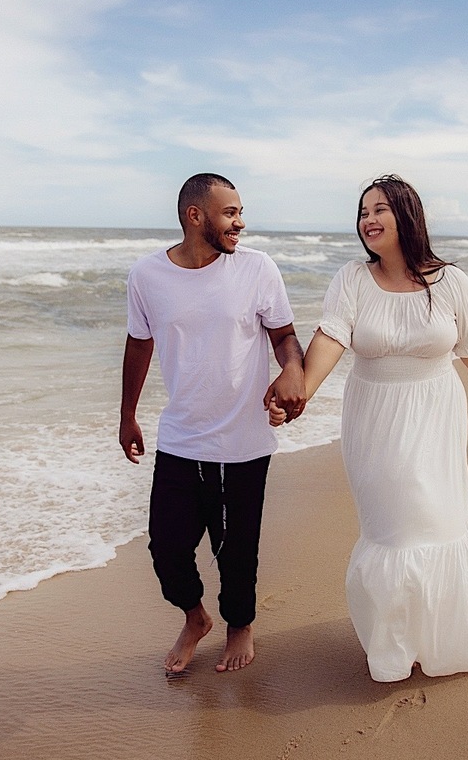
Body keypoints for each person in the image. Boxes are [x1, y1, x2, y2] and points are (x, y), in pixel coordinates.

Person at [272, 174, 468, 682]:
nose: (369, 220)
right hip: (374, 417)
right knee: (395, 527)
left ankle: (443, 636)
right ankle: (396, 642)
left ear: (407, 215)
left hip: (436, 412)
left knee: (437, 516)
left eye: (379, 209)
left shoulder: (451, 282)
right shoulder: (352, 279)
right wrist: (299, 395)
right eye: (363, 212)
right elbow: (331, 337)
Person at [120, 172, 306, 675]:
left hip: (243, 441)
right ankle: (195, 618)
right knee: (166, 549)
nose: (240, 223)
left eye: (241, 212)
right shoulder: (147, 275)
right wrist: (127, 414)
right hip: (180, 438)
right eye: (230, 213)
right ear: (194, 215)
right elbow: (139, 343)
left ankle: (239, 626)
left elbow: (285, 336)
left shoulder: (257, 268)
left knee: (237, 551)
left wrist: (292, 370)